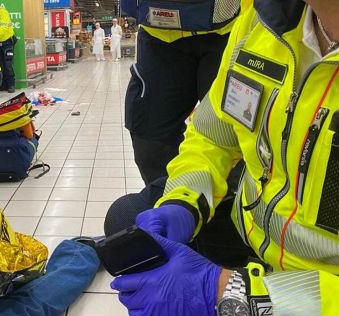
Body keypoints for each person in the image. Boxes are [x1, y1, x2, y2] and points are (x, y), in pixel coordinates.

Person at [108, 1, 339, 315]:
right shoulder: (265, 21)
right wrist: (185, 201)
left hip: (317, 292)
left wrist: (231, 293)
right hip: (256, 240)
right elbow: (212, 134)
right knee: (128, 218)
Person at [122, 0, 244, 185]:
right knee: (150, 141)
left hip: (230, 28)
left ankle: (229, 207)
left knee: (237, 131)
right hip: (158, 33)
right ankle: (168, 201)